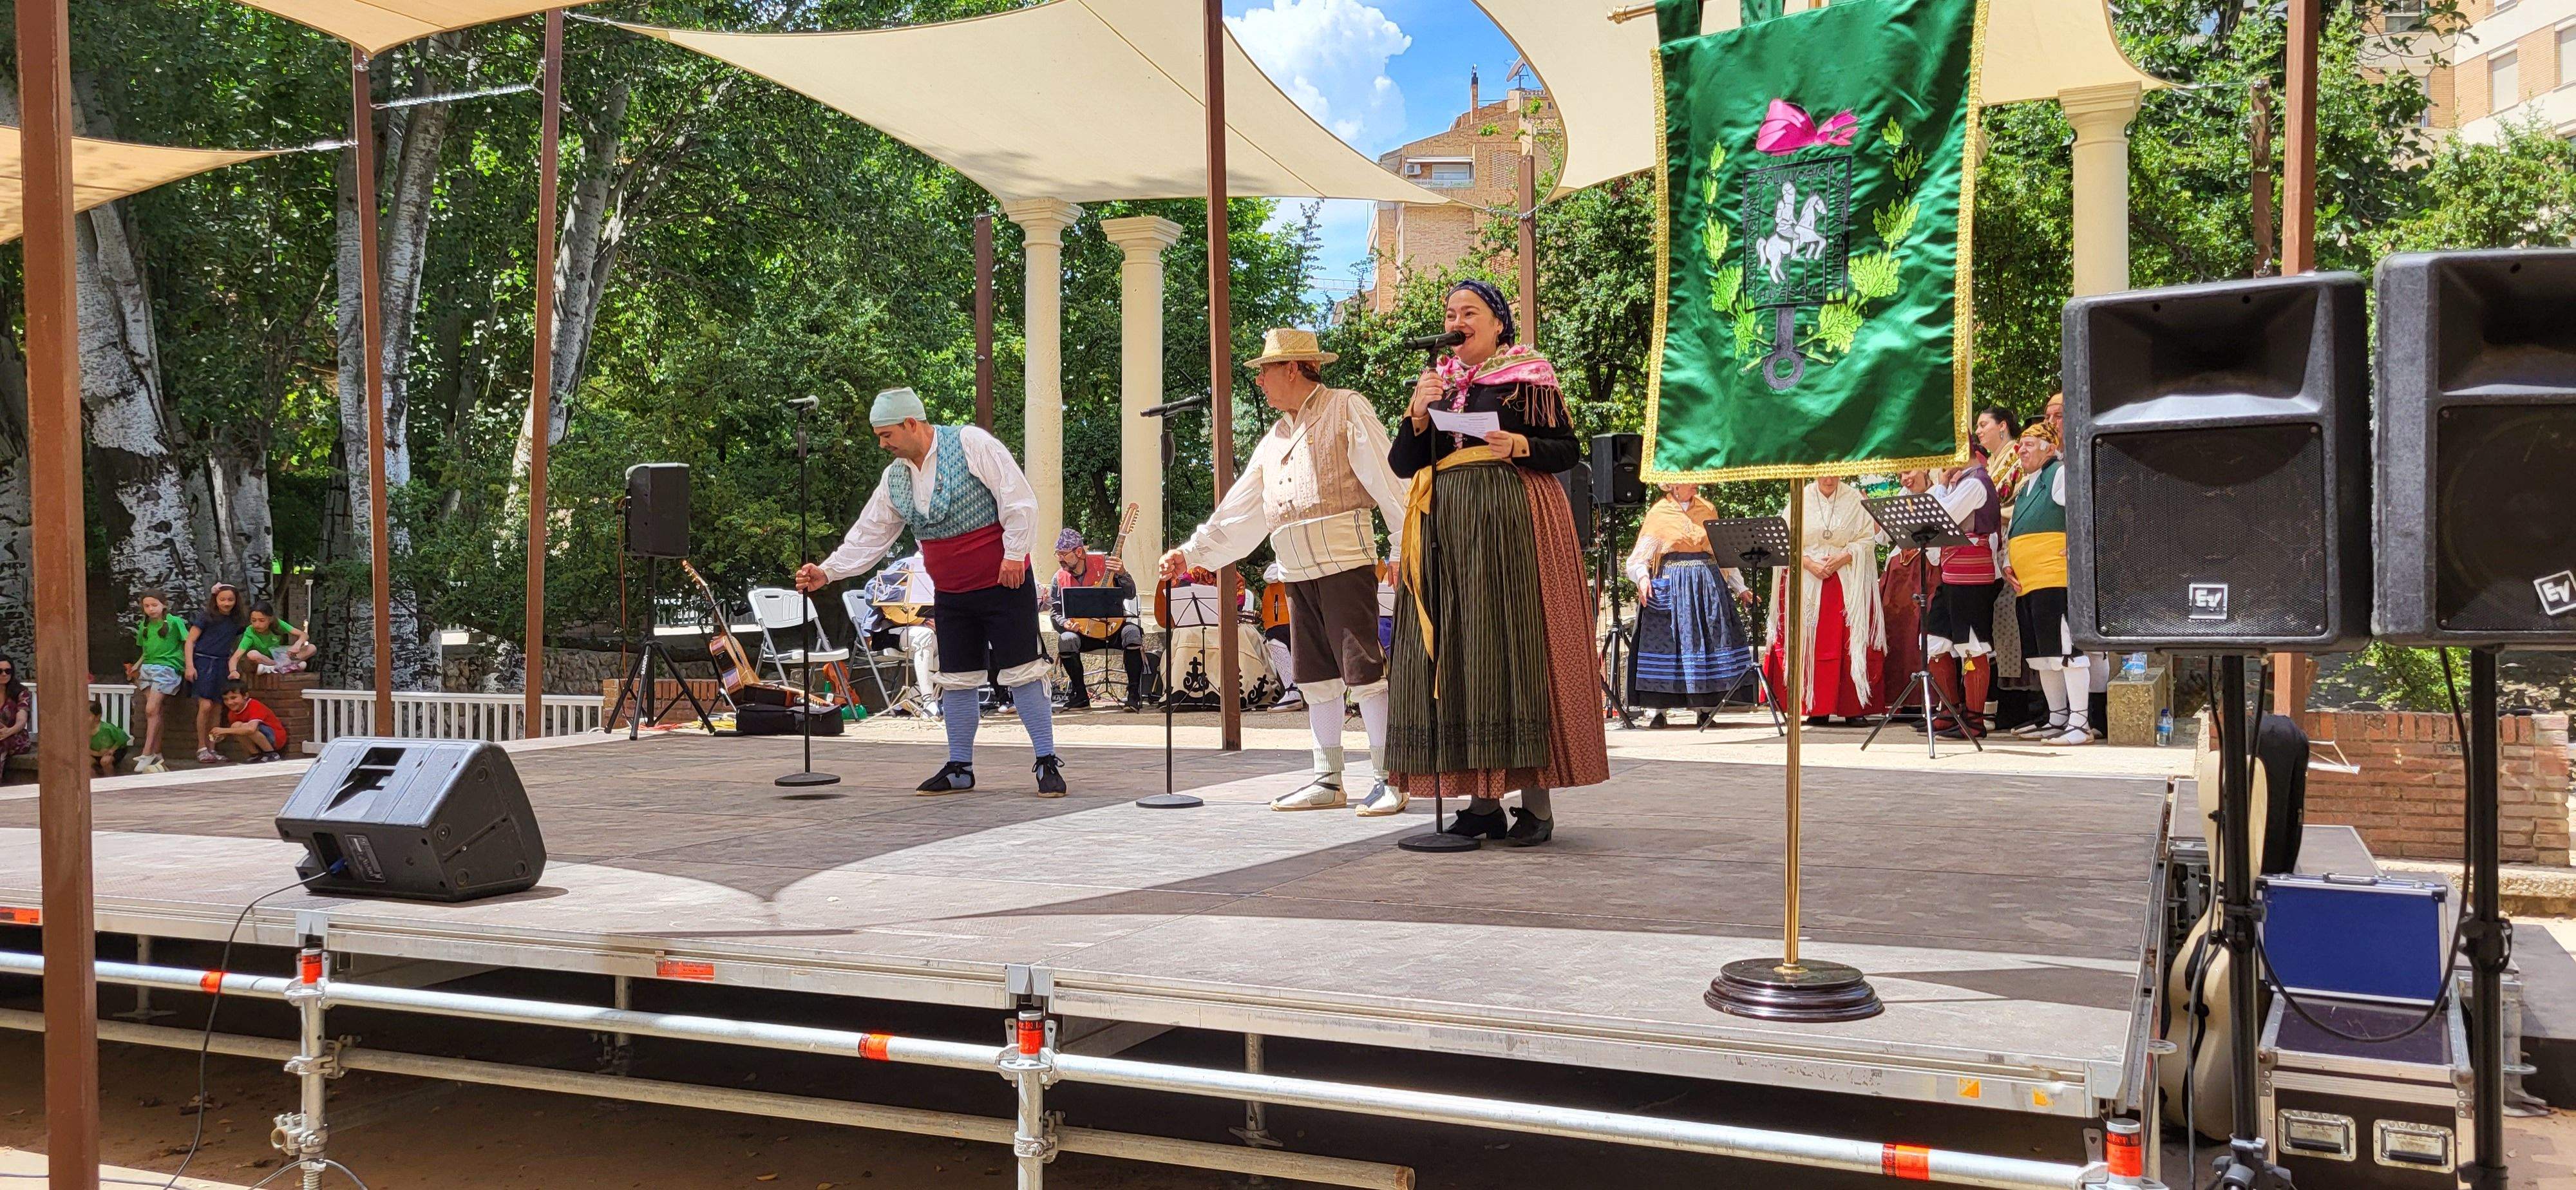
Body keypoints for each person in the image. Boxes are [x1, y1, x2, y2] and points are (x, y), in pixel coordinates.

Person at [1385, 281, 1608, 844]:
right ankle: (1481, 805)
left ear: (1498, 323)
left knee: (1514, 647)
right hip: (1448, 529)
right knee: (1464, 654)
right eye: (1451, 313)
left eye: (1470, 312)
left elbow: (1567, 448)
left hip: (1512, 520)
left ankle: (1536, 806)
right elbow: (1403, 464)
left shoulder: (1527, 374)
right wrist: (1417, 412)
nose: (1458, 321)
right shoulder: (1439, 384)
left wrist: (1520, 446)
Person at [1165, 326, 1411, 815]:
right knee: (1316, 675)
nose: (1260, 381)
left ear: (1294, 368)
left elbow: (1386, 476)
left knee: (1363, 671)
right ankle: (1327, 778)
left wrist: (1404, 544)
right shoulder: (1274, 438)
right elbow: (1242, 507)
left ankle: (1389, 778)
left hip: (1345, 561)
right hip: (1296, 569)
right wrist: (1191, 553)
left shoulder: (1346, 406)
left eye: (1266, 371)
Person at [799, 386, 1066, 795]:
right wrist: (829, 572)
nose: (883, 444)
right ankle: (960, 767)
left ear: (911, 424)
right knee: (957, 677)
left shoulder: (970, 443)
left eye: (887, 435)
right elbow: (871, 535)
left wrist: (1014, 554)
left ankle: (1046, 761)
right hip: (953, 593)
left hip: (1004, 584)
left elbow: (1019, 500)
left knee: (1023, 670)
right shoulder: (896, 479)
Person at [1624, 481, 1757, 728]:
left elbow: (1721, 552)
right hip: (1671, 585)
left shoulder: (1708, 509)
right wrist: (1643, 578)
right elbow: (1638, 558)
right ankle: (1659, 711)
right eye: (1690, 479)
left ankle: (1704, 710)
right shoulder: (1658, 514)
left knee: (1707, 640)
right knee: (1668, 644)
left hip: (1706, 586)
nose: (1696, 484)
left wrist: (1741, 588)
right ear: (1673, 484)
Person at [1762, 477, 1888, 725]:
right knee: (1812, 643)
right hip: (1808, 580)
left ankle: (1853, 706)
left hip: (1846, 581)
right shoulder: (1801, 497)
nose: (1828, 479)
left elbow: (1866, 540)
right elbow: (1786, 541)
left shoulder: (1853, 499)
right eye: (1823, 473)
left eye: (1834, 474)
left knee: (1848, 640)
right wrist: (1808, 563)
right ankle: (1815, 706)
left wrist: (1842, 557)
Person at [2001, 422, 2092, 744]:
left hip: (2056, 579)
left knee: (2067, 651)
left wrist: (2079, 545)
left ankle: (2080, 722)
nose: (2020, 450)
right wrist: (2008, 561)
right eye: (2020, 445)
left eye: (2028, 443)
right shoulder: (2026, 487)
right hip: (2028, 585)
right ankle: (2057, 718)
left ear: (2049, 447)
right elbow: (2014, 531)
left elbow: (2086, 508)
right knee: (2043, 656)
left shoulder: (2060, 473)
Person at [1926, 446, 2005, 736]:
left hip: (1972, 575)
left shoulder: (1975, 483)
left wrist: (1941, 485)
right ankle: (1949, 710)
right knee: (1936, 642)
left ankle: (1974, 719)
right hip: (1951, 575)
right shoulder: (1962, 484)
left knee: (1973, 645)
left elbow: (1941, 516)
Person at [1048, 529, 1144, 712]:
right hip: (1084, 634)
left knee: (1132, 633)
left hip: (1114, 629)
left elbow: (1131, 593)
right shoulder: (1058, 578)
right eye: (1058, 554)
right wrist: (1064, 624)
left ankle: (1133, 695)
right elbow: (1055, 612)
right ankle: (1080, 695)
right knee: (1066, 640)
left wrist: (1123, 573)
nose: (1060, 559)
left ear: (1078, 552)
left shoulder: (1106, 565)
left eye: (1064, 554)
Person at [1874, 470, 1941, 722]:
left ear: (1925, 469)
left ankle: (1927, 700)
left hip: (1929, 567)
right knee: (1897, 632)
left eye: (1909, 472)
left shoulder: (1939, 494)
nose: (1905, 479)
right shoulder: (1903, 495)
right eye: (1901, 474)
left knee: (1922, 629)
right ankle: (1900, 699)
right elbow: (1881, 538)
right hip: (1900, 570)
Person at [860, 552, 941, 719]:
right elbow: (871, 590)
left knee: (947, 643)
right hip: (885, 631)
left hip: (917, 628)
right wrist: (908, 593)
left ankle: (913, 697)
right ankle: (927, 702)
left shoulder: (942, 571)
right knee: (926, 636)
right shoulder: (908, 565)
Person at [184, 583, 248, 764]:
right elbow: (190, 642)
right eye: (222, 599)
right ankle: (201, 747)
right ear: (215, 600)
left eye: (230, 600)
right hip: (203, 663)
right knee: (205, 706)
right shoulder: (206, 617)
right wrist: (190, 665)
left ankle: (213, 748)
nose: (226, 603)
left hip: (222, 664)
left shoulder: (237, 622)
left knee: (219, 706)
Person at [124, 589, 184, 773]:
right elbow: (146, 650)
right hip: (147, 668)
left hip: (167, 668)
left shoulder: (175, 622)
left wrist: (189, 666)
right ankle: (156, 752)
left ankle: (147, 752)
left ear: (164, 605)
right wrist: (137, 665)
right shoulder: (144, 626)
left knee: (151, 709)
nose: (151, 609)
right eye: (147, 606)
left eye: (155, 605)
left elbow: (187, 642)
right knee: (154, 711)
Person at [1257, 562, 1303, 712]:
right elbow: (1270, 575)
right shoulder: (1280, 568)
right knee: (1276, 642)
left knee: (1276, 641)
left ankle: (1293, 690)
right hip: (1282, 623)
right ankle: (1292, 690)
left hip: (1291, 622)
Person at [209, 680, 289, 762]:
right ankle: (256, 754)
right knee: (236, 726)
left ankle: (272, 754)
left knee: (245, 728)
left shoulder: (254, 705)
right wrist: (219, 736)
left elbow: (251, 729)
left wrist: (225, 730)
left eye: (234, 698)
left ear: (245, 696)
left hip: (275, 737)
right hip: (258, 740)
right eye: (226, 699)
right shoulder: (232, 713)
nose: (229, 702)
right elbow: (235, 731)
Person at [233, 603, 315, 674]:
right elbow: (236, 656)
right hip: (262, 662)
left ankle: (280, 667)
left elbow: (304, 635)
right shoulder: (250, 632)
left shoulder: (278, 624)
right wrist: (233, 671)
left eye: (262, 621)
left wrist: (298, 644)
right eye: (254, 621)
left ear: (271, 619)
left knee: (312, 648)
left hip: (279, 656)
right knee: (252, 654)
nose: (257, 624)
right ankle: (284, 667)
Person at [0, 658, 29, 779]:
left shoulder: (20, 692)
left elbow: (22, 720)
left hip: (15, 735)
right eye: (0, 671)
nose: (4, 674)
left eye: (8, 671)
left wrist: (8, 732)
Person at [89, 699, 131, 776]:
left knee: (105, 761)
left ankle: (111, 780)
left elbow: (103, 752)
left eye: (87, 715)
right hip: (95, 751)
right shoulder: (82, 729)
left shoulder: (105, 730)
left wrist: (87, 752)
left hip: (116, 750)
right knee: (83, 762)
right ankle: (94, 783)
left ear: (97, 717)